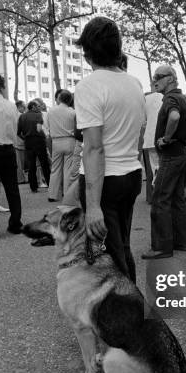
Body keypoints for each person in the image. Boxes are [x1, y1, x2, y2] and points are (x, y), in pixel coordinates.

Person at [74, 16, 145, 283]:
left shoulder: (90, 86)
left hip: (105, 180)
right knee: (121, 245)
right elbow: (138, 134)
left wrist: (92, 206)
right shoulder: (134, 83)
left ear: (88, 51)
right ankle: (130, 309)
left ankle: (128, 314)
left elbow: (93, 148)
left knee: (109, 255)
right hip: (131, 174)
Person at [142, 65, 186, 259]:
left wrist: (166, 138)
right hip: (181, 154)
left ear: (171, 78)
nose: (155, 80)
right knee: (177, 199)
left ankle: (161, 247)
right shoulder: (183, 98)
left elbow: (174, 116)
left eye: (159, 76)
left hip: (171, 155)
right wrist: (181, 133)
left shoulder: (171, 98)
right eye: (154, 77)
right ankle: (181, 242)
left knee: (160, 199)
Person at [0, 74, 23, 241]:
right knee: (12, 189)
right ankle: (15, 224)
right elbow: (15, 127)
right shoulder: (11, 106)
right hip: (8, 150)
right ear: (1, 87)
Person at [47, 89, 76, 202]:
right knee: (68, 169)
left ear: (59, 98)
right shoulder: (72, 112)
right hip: (69, 140)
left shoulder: (51, 111)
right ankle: (67, 193)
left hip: (56, 141)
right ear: (69, 100)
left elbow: (47, 127)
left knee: (55, 168)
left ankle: (52, 195)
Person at [17, 100, 51, 193]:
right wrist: (45, 137)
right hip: (39, 141)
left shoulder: (22, 116)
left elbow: (18, 132)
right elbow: (39, 129)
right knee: (44, 164)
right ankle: (50, 185)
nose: (39, 108)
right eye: (37, 106)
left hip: (28, 142)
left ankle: (34, 187)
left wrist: (25, 138)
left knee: (31, 166)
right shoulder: (38, 115)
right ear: (33, 107)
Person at [142, 83, 163, 204]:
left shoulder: (146, 99)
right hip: (162, 138)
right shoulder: (165, 97)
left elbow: (143, 119)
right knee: (160, 167)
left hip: (149, 138)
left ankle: (152, 197)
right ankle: (159, 195)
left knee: (152, 168)